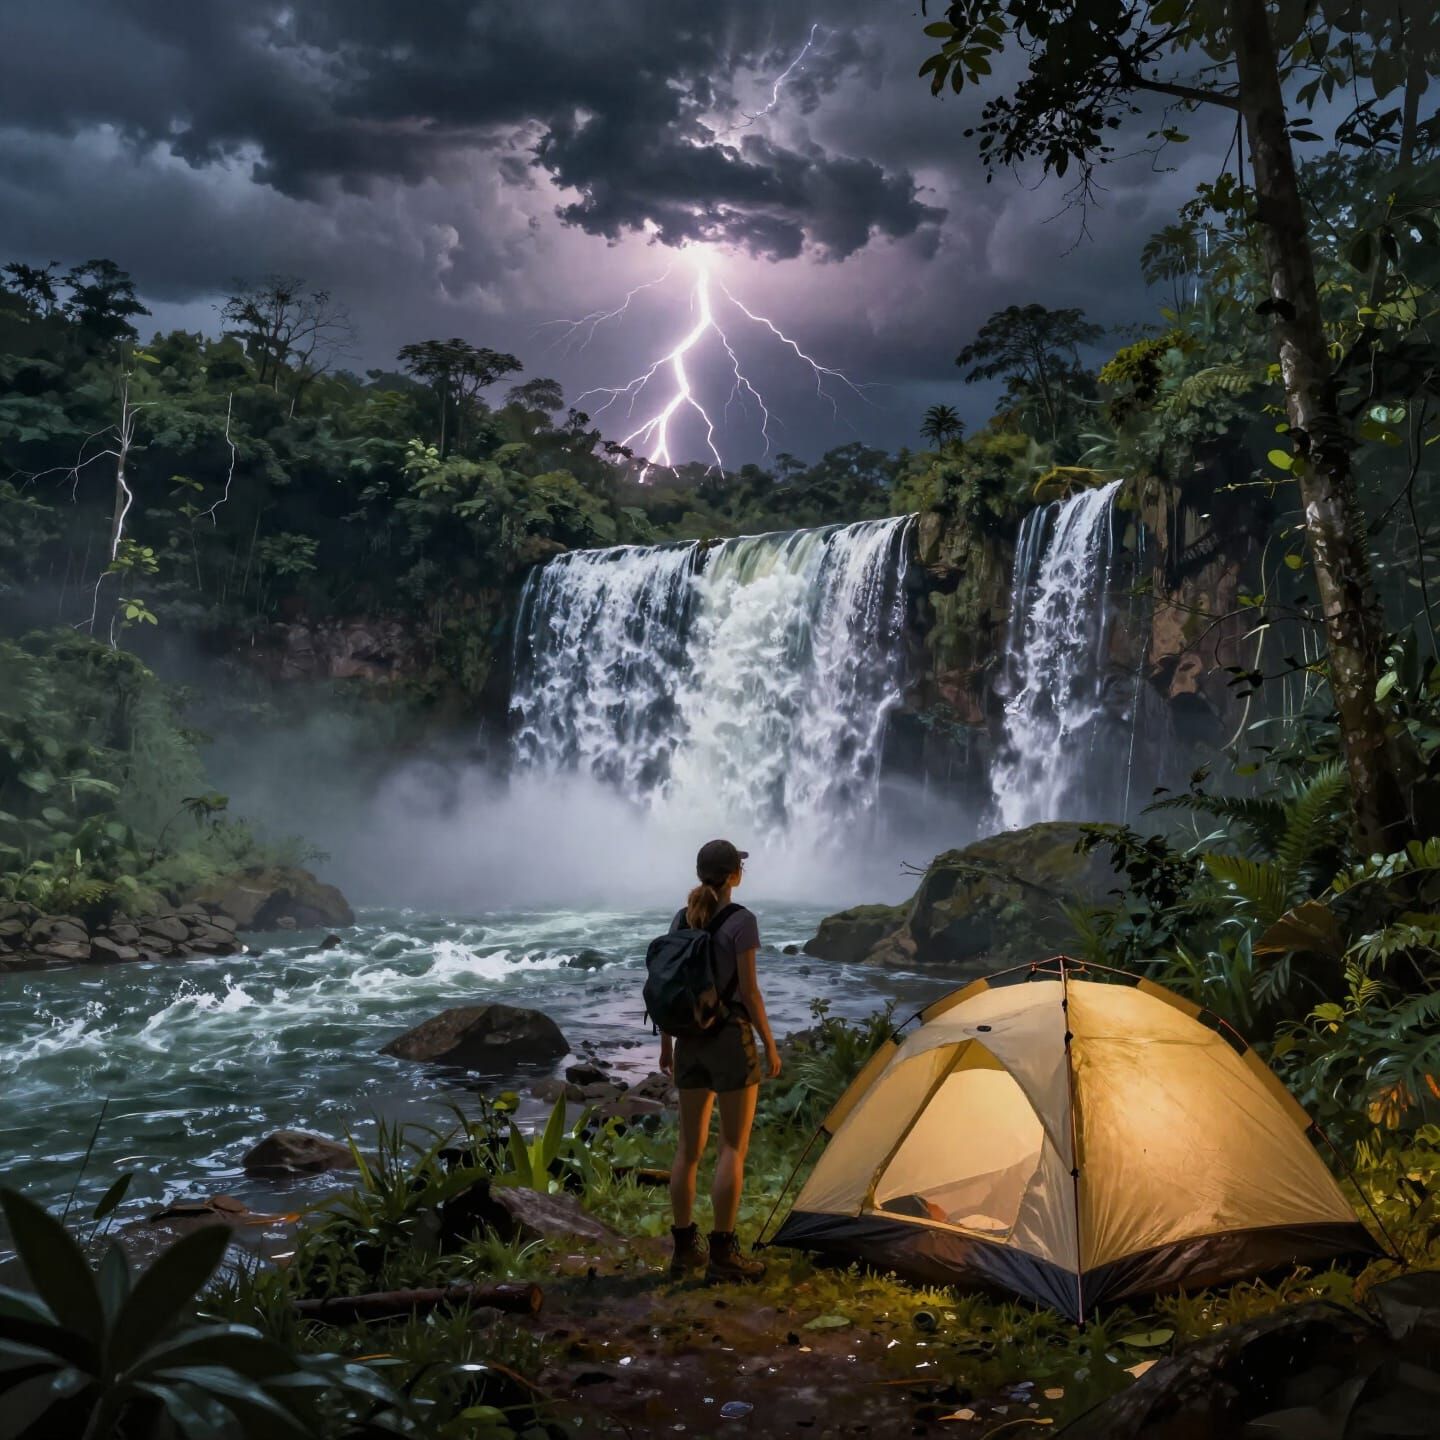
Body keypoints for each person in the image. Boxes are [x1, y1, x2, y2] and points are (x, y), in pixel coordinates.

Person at [659, 838, 782, 1282]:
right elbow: (748, 992)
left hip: (689, 1040)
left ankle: (682, 1250)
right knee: (732, 1146)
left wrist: (666, 1046)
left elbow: (673, 987)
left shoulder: (681, 918)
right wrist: (769, 1043)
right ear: (735, 876)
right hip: (729, 1039)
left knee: (688, 1150)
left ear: (699, 874)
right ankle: (724, 1256)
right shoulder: (741, 922)